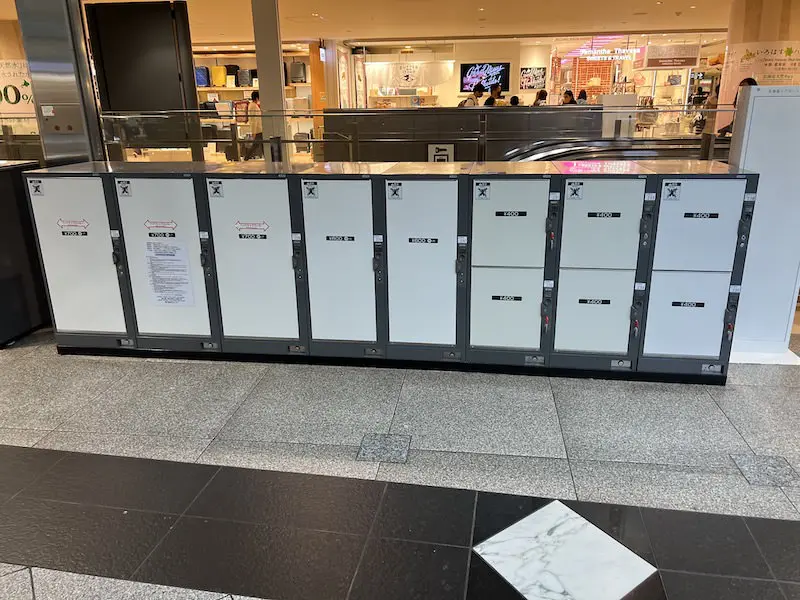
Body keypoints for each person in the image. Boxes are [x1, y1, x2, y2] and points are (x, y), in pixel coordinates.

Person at [245, 91, 264, 160]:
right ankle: (246, 157)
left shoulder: (253, 105)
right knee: (256, 145)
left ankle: (267, 157)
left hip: (259, 129)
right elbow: (254, 120)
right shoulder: (253, 106)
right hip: (258, 129)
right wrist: (254, 132)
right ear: (256, 98)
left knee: (261, 144)